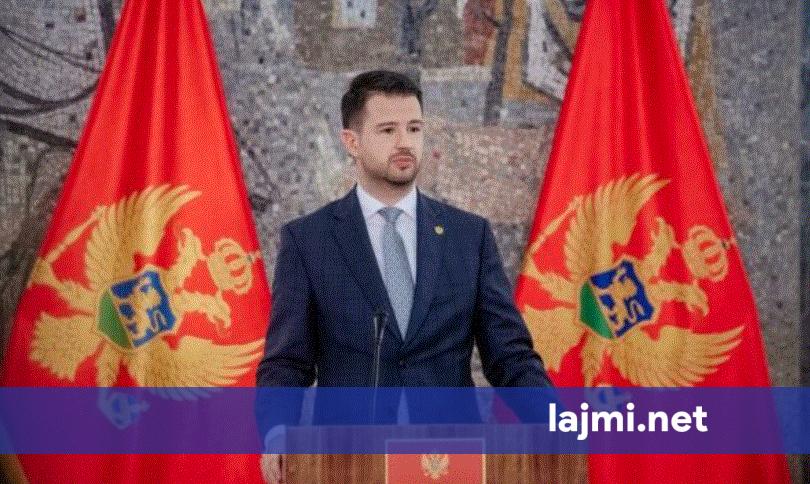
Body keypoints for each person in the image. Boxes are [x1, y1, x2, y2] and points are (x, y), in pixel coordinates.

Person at [256, 70, 551, 483]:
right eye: (387, 130)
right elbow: (287, 362)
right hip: (348, 462)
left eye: (414, 128)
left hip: (451, 461)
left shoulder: (469, 237)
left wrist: (555, 422)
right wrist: (276, 434)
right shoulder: (310, 241)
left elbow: (510, 356)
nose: (404, 142)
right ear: (351, 142)